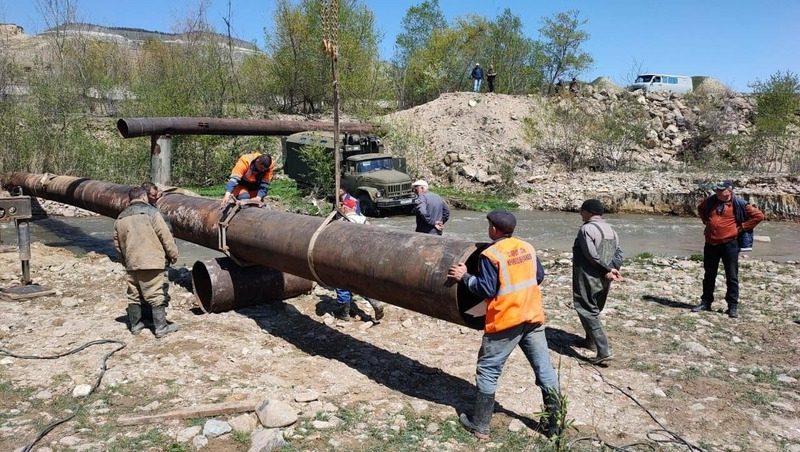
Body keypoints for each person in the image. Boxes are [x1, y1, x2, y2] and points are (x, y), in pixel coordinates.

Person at [448, 210, 561, 439]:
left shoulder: (491, 254)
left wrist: (465, 276)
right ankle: (554, 424)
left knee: (489, 370)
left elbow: (486, 289)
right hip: (532, 316)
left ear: (494, 229)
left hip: (506, 320)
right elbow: (539, 276)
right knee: (544, 370)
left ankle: (480, 425)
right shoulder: (527, 247)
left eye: (489, 225)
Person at [114, 187, 180, 338]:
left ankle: (135, 326)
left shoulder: (120, 218)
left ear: (130, 199)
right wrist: (173, 255)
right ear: (144, 197)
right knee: (156, 294)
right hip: (152, 261)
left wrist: (125, 261)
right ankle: (161, 328)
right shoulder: (152, 213)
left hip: (132, 262)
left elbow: (117, 244)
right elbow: (165, 236)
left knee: (134, 295)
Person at [693, 180, 764, 318]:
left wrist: (742, 228)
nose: (717, 192)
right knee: (709, 274)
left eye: (721, 190)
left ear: (729, 191)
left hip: (729, 244)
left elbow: (758, 216)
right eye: (717, 190)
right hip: (710, 244)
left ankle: (732, 306)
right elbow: (701, 209)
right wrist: (707, 222)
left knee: (732, 276)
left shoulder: (739, 204)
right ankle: (706, 302)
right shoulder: (710, 201)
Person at [572, 199, 623, 365]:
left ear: (588, 212)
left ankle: (603, 350)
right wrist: (613, 270)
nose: (580, 213)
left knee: (586, 308)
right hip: (605, 277)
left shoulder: (586, 229)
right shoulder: (611, 230)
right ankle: (590, 341)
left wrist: (606, 270)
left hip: (589, 275)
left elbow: (591, 255)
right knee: (596, 308)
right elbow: (618, 254)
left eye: (582, 210)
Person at [332, 198, 386, 321]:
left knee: (341, 282)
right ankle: (375, 302)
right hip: (361, 257)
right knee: (360, 281)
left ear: (345, 208)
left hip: (345, 257)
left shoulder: (342, 221)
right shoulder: (364, 220)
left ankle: (344, 313)